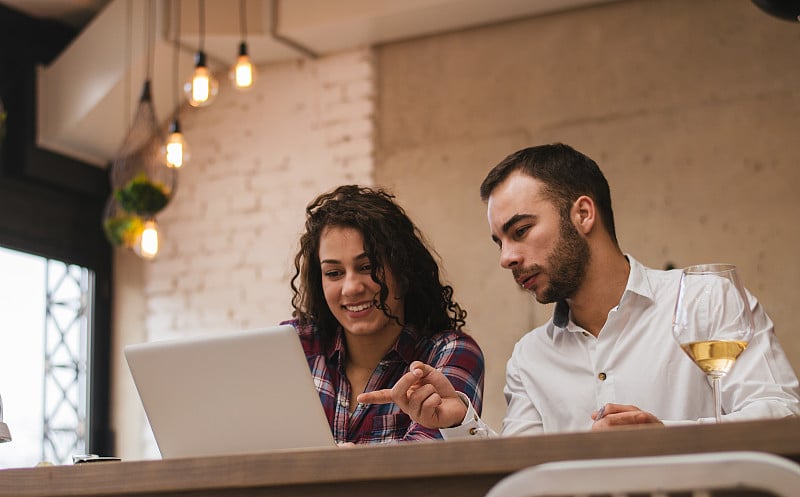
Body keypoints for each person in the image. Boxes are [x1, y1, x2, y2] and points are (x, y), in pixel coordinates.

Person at [358, 143, 800, 437]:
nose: (506, 258)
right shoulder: (529, 359)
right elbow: (521, 475)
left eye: (521, 230)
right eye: (500, 241)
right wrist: (457, 422)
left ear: (583, 214)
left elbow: (783, 414)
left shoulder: (706, 299)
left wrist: (668, 437)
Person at [283, 184, 484, 445]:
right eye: (334, 273)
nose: (351, 287)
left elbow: (431, 463)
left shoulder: (450, 352)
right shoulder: (296, 346)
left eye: (368, 267)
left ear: (403, 270)